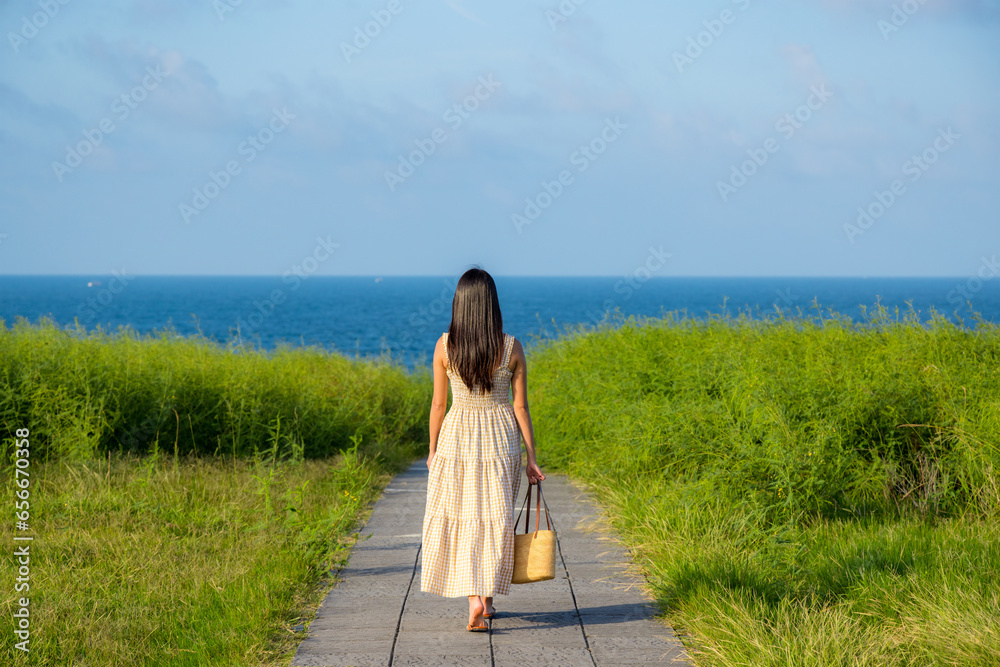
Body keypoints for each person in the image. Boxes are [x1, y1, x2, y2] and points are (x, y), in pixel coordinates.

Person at [419, 267, 545, 632]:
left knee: (464, 515)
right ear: (492, 304)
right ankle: (486, 598)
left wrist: (432, 449)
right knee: (496, 516)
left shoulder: (444, 346)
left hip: (458, 436)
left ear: (459, 303)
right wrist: (533, 458)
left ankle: (475, 597)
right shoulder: (511, 347)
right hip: (501, 435)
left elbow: (438, 405)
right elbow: (521, 407)